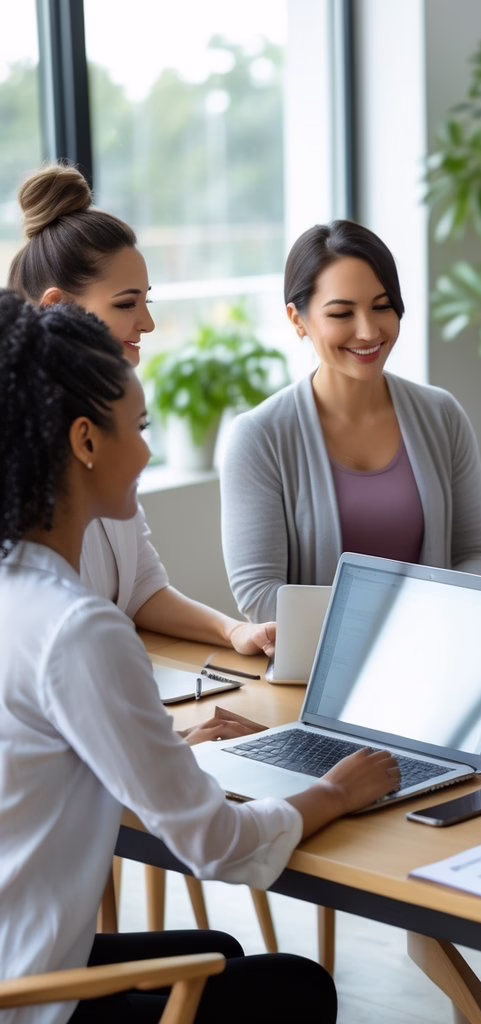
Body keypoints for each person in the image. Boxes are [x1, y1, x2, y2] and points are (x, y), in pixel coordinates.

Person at [0, 290, 401, 1023]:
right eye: (139, 428)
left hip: (15, 951)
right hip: (28, 1000)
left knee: (219, 949)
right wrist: (334, 792)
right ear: (85, 442)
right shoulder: (79, 628)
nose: (148, 452)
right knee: (297, 989)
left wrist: (165, 754)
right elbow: (219, 846)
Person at [8, 166, 275, 746]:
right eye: (128, 303)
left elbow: (139, 589)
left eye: (146, 302)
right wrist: (173, 750)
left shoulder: (104, 440)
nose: (148, 323)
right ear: (57, 307)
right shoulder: (24, 463)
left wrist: (232, 631)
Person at [220, 218, 481, 622]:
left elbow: (479, 554)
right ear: (298, 320)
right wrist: (397, 622)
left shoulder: (442, 415)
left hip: (433, 647)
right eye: (341, 313)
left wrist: (427, 622)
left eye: (382, 307)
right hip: (318, 658)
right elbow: (259, 595)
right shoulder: (258, 437)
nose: (368, 332)